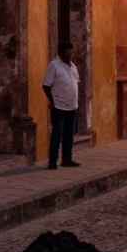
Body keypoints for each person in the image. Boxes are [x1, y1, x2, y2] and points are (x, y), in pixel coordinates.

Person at [42, 40, 80, 169]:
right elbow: (46, 85)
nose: (72, 54)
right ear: (63, 52)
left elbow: (74, 83)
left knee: (69, 134)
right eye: (70, 51)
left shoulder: (73, 67)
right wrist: (52, 101)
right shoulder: (54, 66)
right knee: (57, 134)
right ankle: (52, 161)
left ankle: (67, 159)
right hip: (59, 106)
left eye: (72, 51)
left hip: (72, 106)